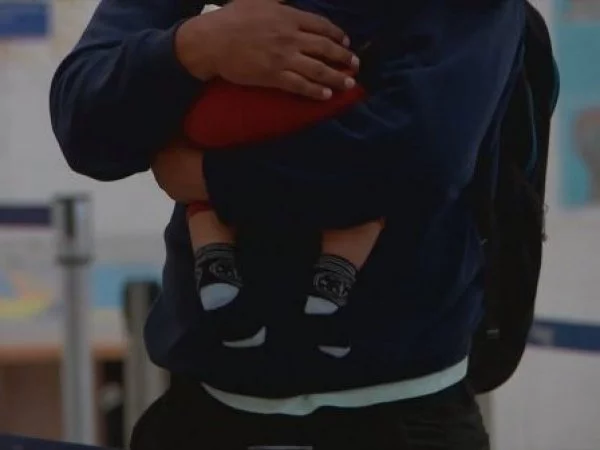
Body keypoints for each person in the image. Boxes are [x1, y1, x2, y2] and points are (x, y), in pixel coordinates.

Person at [49, 0, 526, 448]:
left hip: (405, 410)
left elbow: (421, 155)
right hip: (207, 405)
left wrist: (211, 178)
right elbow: (85, 122)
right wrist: (198, 46)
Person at [183, 1, 379, 353]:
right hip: (318, 90)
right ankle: (332, 283)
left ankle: (214, 260)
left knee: (201, 191)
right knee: (372, 181)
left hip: (220, 96)